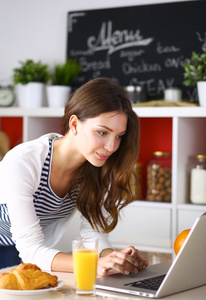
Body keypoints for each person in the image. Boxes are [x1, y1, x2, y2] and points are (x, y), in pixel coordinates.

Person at [0, 77, 148, 275]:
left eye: (119, 136)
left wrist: (114, 259)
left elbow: (94, 233)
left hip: (20, 247)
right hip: (21, 248)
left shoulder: (98, 167)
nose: (112, 147)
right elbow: (31, 250)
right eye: (103, 132)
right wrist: (94, 264)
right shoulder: (24, 161)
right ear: (75, 124)